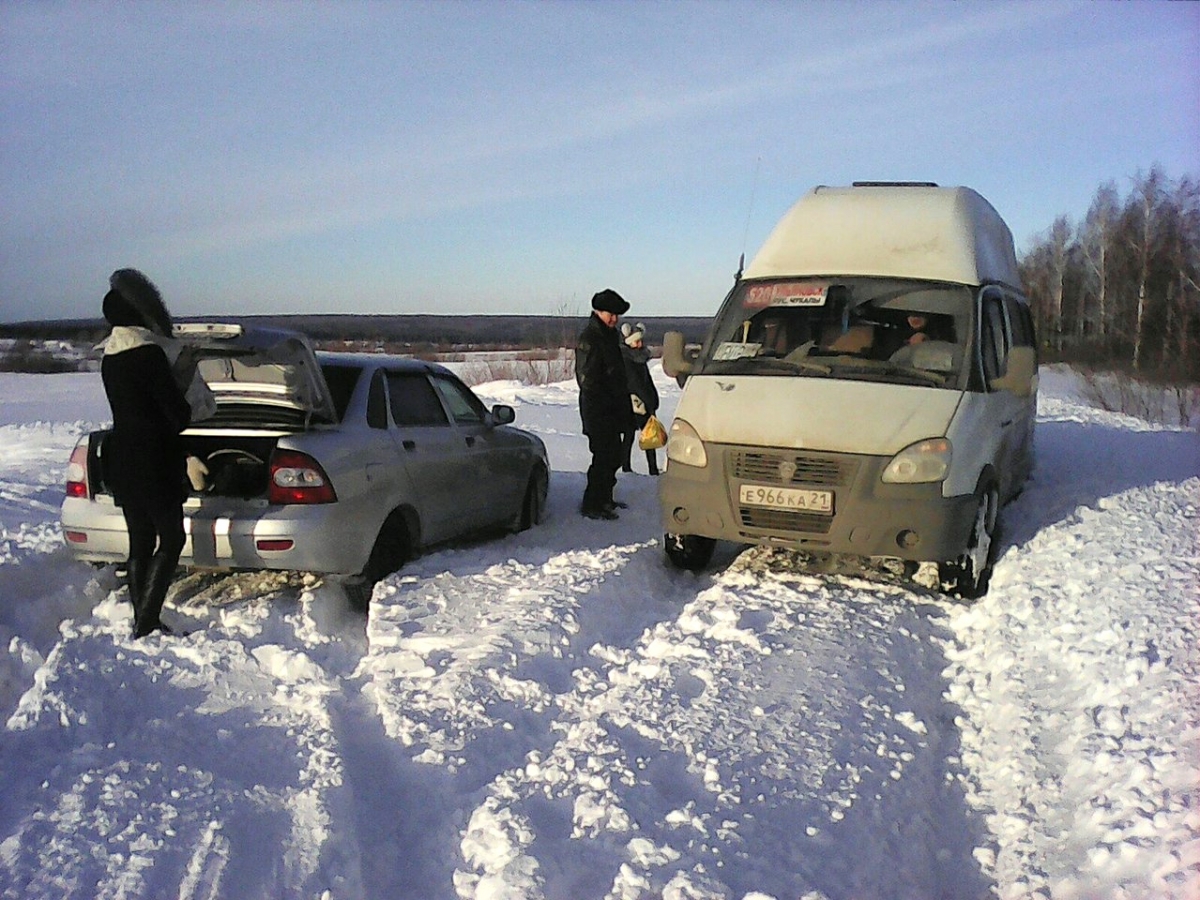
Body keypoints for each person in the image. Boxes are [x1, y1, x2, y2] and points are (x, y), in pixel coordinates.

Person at [99, 269, 192, 637]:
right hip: (154, 458)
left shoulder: (110, 355)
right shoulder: (149, 353)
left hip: (121, 456)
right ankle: (147, 622)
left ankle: (142, 620)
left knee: (140, 540)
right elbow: (177, 415)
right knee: (172, 540)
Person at [574, 288, 631, 519]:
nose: (615, 319)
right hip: (598, 410)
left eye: (617, 315)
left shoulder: (609, 336)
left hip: (612, 408)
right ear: (599, 311)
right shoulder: (591, 339)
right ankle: (592, 504)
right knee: (603, 457)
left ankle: (605, 499)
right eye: (611, 314)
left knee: (614, 456)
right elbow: (587, 380)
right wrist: (606, 402)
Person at [619, 322, 660, 475]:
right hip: (634, 402)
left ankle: (641, 468)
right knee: (635, 435)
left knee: (640, 434)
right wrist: (649, 401)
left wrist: (652, 398)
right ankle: (630, 468)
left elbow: (646, 381)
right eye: (637, 341)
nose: (640, 343)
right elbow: (636, 383)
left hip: (640, 402)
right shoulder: (629, 360)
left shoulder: (637, 358)